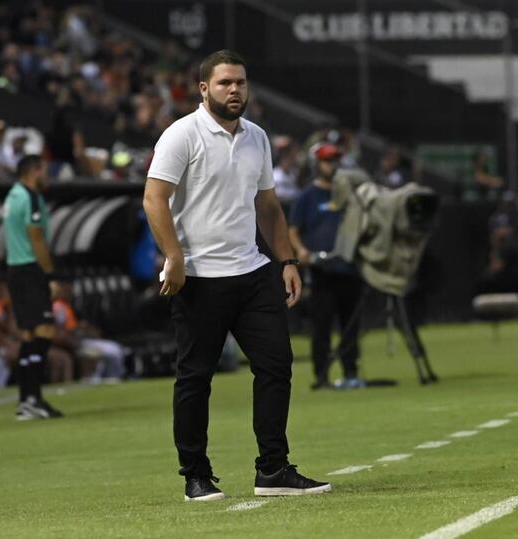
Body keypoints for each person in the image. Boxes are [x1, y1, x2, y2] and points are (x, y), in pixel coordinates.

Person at [142, 49, 331, 502]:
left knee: (276, 366)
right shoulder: (180, 135)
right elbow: (154, 199)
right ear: (204, 88)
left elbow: (267, 205)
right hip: (198, 277)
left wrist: (286, 262)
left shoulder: (257, 138)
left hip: (252, 272)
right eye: (225, 83)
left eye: (241, 83)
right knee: (195, 378)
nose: (234, 90)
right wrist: (175, 256)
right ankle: (195, 475)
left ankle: (273, 470)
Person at [289, 143, 364, 390]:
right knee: (321, 326)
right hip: (322, 272)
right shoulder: (307, 197)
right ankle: (321, 375)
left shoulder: (350, 194)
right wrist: (301, 251)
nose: (332, 165)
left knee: (350, 325)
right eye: (326, 161)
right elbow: (293, 230)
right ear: (316, 164)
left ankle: (351, 372)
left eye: (335, 160)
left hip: (349, 269)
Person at [3, 154, 63, 419]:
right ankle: (34, 398)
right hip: (30, 269)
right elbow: (36, 238)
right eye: (44, 170)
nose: (46, 175)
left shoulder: (12, 195)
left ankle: (26, 399)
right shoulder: (30, 197)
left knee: (28, 335)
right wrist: (50, 276)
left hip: (15, 269)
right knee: (44, 330)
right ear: (33, 172)